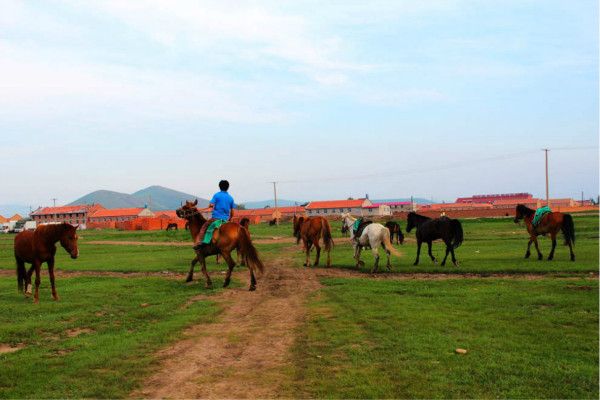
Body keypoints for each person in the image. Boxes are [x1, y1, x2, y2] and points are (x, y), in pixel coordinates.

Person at [193, 180, 236, 250]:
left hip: (216, 218)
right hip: (225, 219)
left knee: (204, 227)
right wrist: (229, 219)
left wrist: (210, 205)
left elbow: (211, 205)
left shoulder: (217, 195)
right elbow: (232, 212)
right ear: (228, 187)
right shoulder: (231, 198)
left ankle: (200, 243)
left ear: (219, 187)